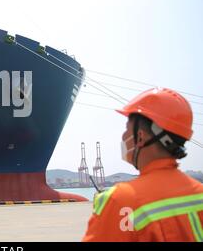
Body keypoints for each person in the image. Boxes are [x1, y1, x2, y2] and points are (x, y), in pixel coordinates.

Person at [82, 87, 203, 242]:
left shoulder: (120, 200)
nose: (124, 136)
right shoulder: (199, 193)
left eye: (126, 129)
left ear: (140, 137)